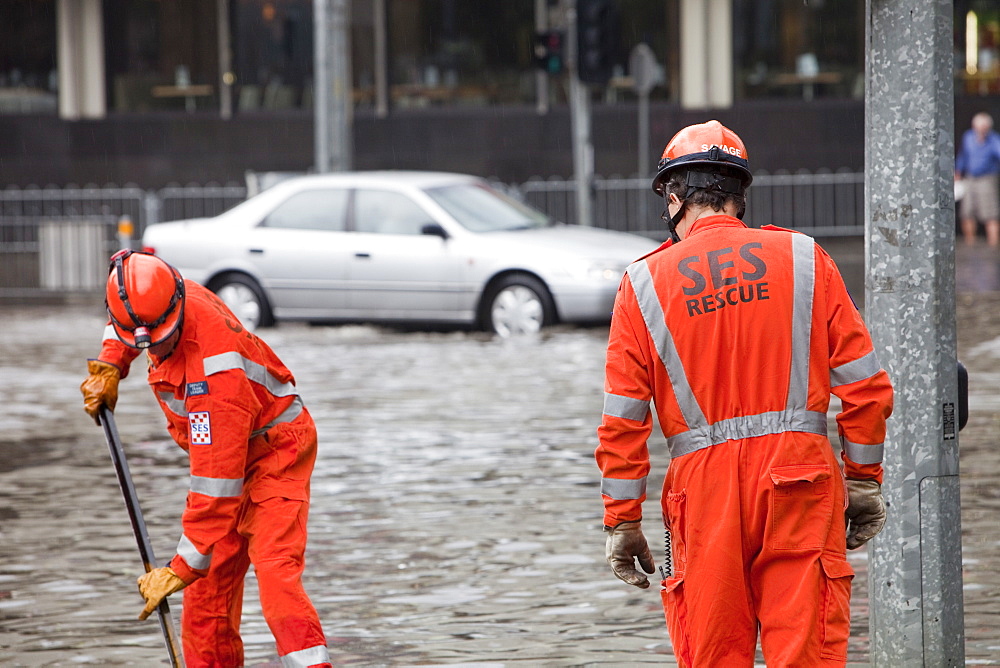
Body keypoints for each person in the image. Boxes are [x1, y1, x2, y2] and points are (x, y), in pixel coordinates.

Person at [594, 120, 894, 666]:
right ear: (737, 194)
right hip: (800, 482)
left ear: (677, 195)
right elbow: (865, 387)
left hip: (703, 498)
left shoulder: (642, 286)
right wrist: (863, 482)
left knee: (714, 654)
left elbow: (623, 420)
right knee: (806, 654)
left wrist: (623, 520)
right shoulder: (804, 259)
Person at [80, 250, 332, 668]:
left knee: (276, 576)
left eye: (161, 340)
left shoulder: (214, 380)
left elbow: (216, 486)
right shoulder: (160, 295)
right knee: (205, 598)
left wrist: (178, 569)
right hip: (231, 455)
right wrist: (111, 364)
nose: (154, 349)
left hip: (276, 453)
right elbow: (127, 321)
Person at [955, 111, 1000, 246]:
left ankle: (993, 243)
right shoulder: (968, 137)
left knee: (990, 212)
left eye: (983, 127)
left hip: (986, 178)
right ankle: (970, 242)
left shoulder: (993, 139)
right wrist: (957, 171)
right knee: (966, 211)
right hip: (969, 178)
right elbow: (963, 154)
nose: (980, 130)